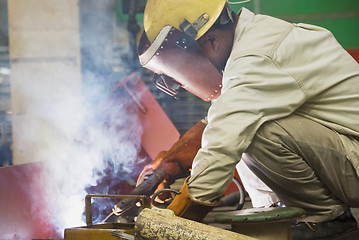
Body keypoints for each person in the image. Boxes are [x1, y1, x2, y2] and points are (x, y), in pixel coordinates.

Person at [137, 0, 359, 239]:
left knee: (251, 132)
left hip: (353, 156)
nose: (181, 83)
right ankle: (280, 213)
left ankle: (326, 219)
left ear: (211, 40)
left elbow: (223, 141)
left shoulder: (255, 57)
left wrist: (170, 226)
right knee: (243, 127)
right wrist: (171, 162)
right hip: (343, 155)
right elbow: (220, 120)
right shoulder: (248, 47)